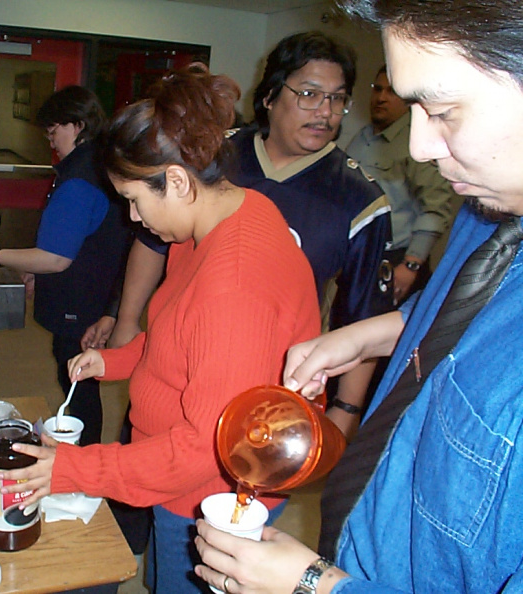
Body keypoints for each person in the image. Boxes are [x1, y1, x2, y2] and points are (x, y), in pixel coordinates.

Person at [193, 1, 523, 593]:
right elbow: (453, 318)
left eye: (443, 110)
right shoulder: (491, 211)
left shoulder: (362, 195)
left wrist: (313, 586)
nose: (418, 145)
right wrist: (369, 334)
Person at [0, 64, 321, 592]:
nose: (133, 218)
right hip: (173, 474)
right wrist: (119, 359)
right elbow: (185, 337)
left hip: (205, 494)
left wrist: (74, 470)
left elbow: (202, 448)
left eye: (134, 200)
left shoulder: (235, 284)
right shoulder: (216, 222)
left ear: (175, 180)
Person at [227, 31, 394, 438]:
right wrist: (124, 318)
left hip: (277, 383)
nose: (325, 112)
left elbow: (363, 315)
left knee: (253, 495)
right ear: (269, 96)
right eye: (309, 94)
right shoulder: (217, 158)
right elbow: (155, 242)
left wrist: (346, 409)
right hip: (183, 360)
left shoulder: (361, 199)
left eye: (337, 98)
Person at [0, 85, 131, 446]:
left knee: (77, 380)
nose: (50, 140)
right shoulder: (98, 165)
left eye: (54, 131)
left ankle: (83, 463)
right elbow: (64, 242)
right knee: (79, 382)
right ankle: (83, 455)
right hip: (95, 290)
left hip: (81, 298)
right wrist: (31, 269)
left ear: (76, 125)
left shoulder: (78, 180)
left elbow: (55, 258)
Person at [347, 65, 456, 305]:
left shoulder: (417, 143)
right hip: (361, 258)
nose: (381, 98)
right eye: (377, 89)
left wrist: (411, 264)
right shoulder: (361, 139)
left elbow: (435, 208)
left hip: (398, 262)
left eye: (391, 92)